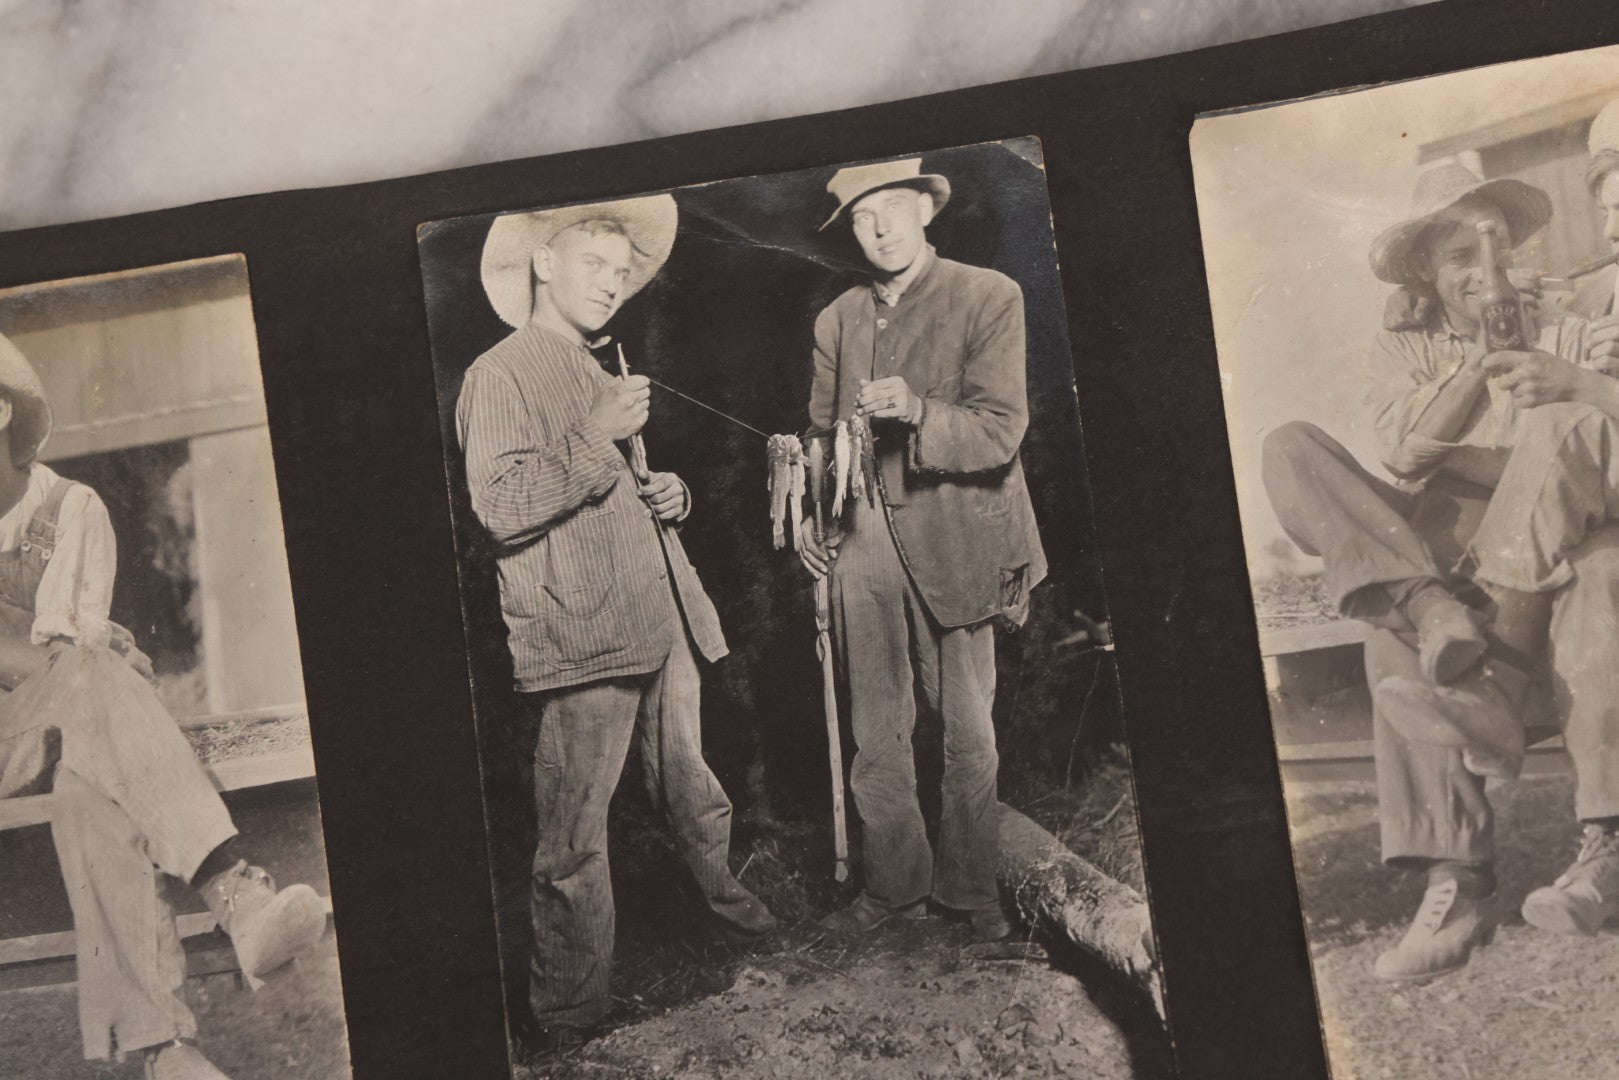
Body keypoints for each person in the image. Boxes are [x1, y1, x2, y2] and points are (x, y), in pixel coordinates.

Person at [1262, 160, 1619, 983]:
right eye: (1460, 255)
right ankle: (1455, 881)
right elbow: (1402, 456)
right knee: (1289, 447)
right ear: (1425, 269)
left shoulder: (1564, 320)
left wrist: (1571, 372)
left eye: (1495, 244)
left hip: (1544, 554)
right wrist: (1472, 366)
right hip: (1441, 560)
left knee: (1591, 571)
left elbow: (1589, 442)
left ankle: (1569, 842)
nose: (1483, 269)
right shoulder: (1397, 347)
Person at [455, 194, 776, 1049]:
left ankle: (742, 937)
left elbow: (611, 497)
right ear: (544, 263)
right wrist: (599, 441)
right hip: (581, 633)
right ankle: (572, 1019)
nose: (611, 284)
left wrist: (666, 495)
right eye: (592, 265)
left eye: (620, 271)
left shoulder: (599, 367)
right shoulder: (500, 374)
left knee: (692, 789)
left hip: (656, 613)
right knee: (573, 834)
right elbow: (501, 506)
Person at [0, 333, 327, 1080]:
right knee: (96, 674)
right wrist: (84, 651)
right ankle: (235, 890)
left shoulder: (68, 510)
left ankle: (164, 1050)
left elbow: (61, 657)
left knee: (89, 783)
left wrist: (79, 651)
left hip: (60, 728)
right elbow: (62, 656)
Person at [798, 158, 1047, 943]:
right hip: (860, 536)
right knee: (877, 731)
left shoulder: (988, 295)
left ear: (925, 211)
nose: (878, 229)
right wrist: (808, 517)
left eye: (891, 209)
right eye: (861, 219)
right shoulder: (837, 318)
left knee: (967, 729)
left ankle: (970, 893)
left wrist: (917, 411)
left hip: (961, 531)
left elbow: (1002, 429)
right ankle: (891, 888)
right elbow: (816, 436)